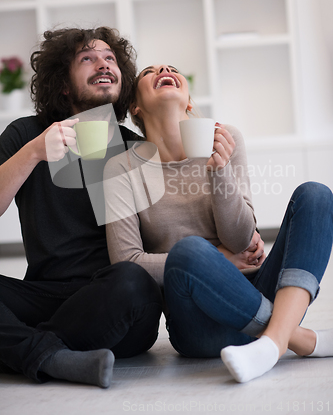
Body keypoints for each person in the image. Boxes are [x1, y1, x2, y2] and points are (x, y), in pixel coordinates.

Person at [104, 63, 333, 383]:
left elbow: (241, 239)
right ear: (135, 107)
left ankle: (273, 343)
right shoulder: (120, 169)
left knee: (316, 195)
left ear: (189, 101)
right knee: (189, 251)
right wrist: (220, 260)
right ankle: (297, 337)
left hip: (260, 292)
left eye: (171, 68)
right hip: (197, 323)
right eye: (149, 72)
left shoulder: (225, 138)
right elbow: (126, 261)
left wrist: (218, 171)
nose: (163, 69)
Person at [0, 27, 163, 389]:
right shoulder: (27, 135)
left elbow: (162, 237)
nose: (103, 65)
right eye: (87, 59)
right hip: (46, 297)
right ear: (62, 83)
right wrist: (33, 153)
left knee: (134, 281)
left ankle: (22, 348)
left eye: (110, 58)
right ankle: (54, 357)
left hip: (115, 299)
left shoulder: (135, 147)